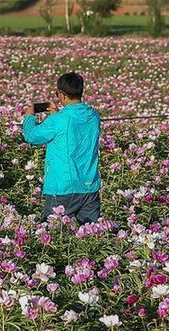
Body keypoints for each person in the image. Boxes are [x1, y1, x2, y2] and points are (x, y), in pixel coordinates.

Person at [22, 72, 101, 224]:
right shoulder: (94, 116)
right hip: (89, 187)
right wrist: (58, 114)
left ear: (62, 95)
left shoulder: (58, 120)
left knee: (52, 235)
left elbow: (31, 136)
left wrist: (29, 117)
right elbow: (73, 128)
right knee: (91, 235)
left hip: (63, 187)